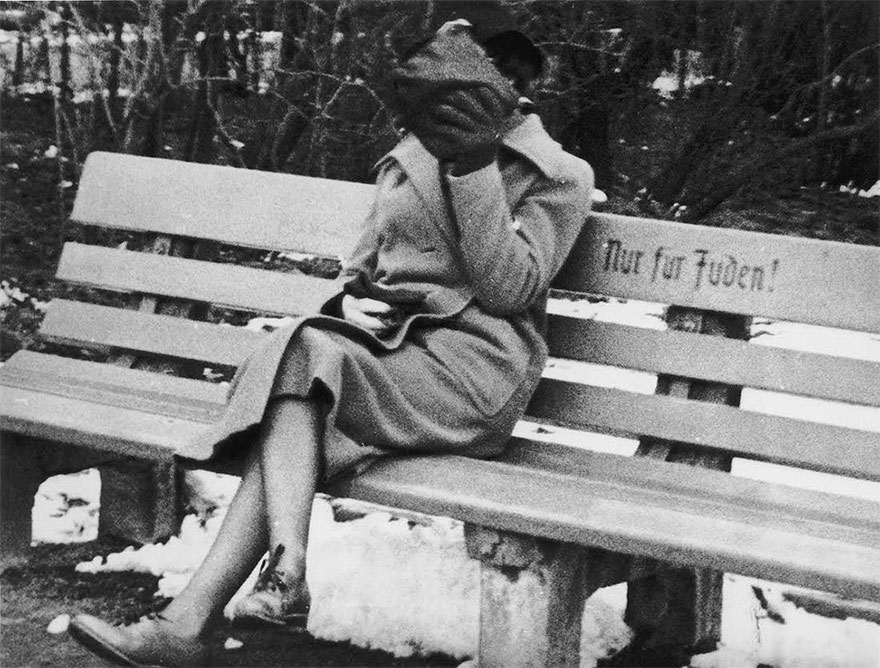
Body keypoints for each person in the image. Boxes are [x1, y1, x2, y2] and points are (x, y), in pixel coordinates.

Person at [67, 5, 594, 666]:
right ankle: (239, 598)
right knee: (303, 370)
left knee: (301, 372)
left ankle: (212, 614)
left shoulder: (560, 176)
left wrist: (475, 169)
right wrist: (352, 300)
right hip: (389, 352)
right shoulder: (410, 154)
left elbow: (509, 289)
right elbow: (362, 265)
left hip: (473, 370)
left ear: (516, 89)